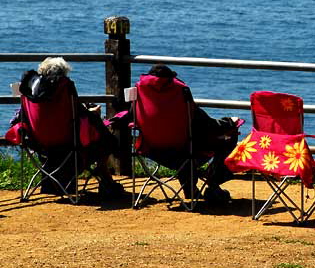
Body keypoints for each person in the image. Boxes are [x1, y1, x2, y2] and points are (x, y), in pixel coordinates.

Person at [15, 57, 125, 199]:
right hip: (68, 143)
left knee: (100, 137)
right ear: (63, 74)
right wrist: (92, 113)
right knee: (105, 140)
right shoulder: (63, 88)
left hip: (39, 144)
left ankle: (103, 177)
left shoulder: (29, 90)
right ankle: (105, 176)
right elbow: (76, 113)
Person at [134, 64, 240, 204]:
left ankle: (190, 188)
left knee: (186, 143)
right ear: (171, 79)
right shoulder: (180, 92)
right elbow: (205, 121)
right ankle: (213, 182)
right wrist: (229, 123)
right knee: (229, 137)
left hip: (153, 150)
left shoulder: (141, 94)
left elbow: (130, 117)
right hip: (184, 151)